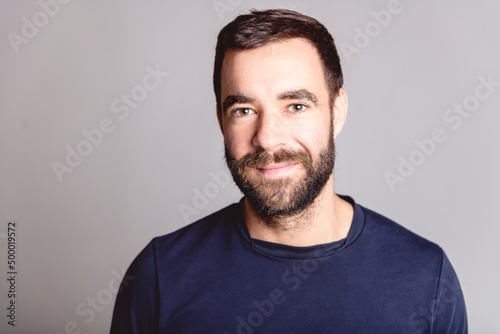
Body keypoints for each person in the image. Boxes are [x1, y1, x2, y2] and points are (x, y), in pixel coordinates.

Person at [110, 9, 467, 333]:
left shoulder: (426, 278)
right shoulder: (159, 275)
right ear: (221, 120)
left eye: (296, 105)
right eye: (244, 110)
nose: (267, 138)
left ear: (336, 111)